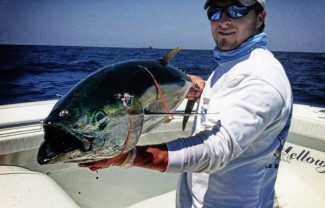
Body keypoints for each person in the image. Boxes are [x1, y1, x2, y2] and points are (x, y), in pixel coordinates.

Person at [79, 0, 293, 207]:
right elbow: (233, 99)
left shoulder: (259, 78)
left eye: (237, 9)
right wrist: (201, 88)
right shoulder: (233, 67)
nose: (224, 20)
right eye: (215, 12)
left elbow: (214, 150)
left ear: (260, 18)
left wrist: (127, 156)